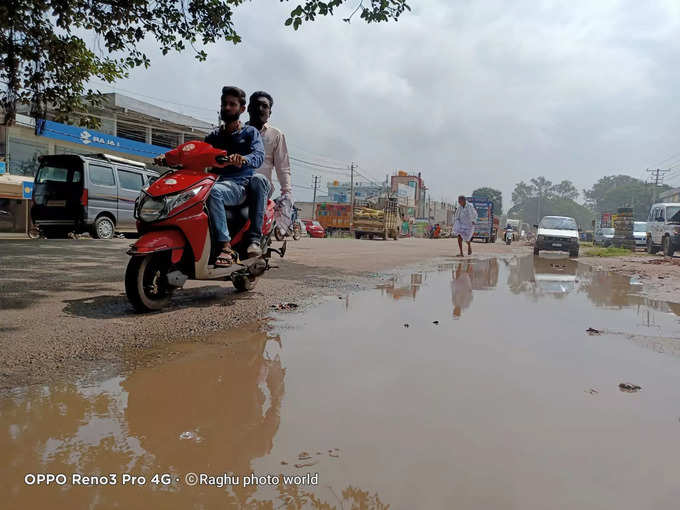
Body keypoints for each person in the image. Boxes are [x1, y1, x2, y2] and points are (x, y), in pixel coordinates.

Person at [204, 86, 265, 266]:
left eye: (232, 104)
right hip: (213, 181)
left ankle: (225, 246)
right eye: (225, 104)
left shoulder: (250, 133)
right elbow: (195, 151)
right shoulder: (213, 136)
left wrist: (243, 159)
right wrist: (169, 157)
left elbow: (258, 156)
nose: (227, 107)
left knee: (213, 192)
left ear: (242, 109)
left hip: (238, 185)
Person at [246, 91, 293, 234]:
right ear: (248, 108)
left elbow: (282, 166)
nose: (260, 109)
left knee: (258, 182)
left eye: (264, 106)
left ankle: (254, 238)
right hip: (238, 184)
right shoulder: (239, 131)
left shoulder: (275, 135)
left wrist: (287, 192)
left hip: (262, 188)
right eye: (256, 105)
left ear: (269, 112)